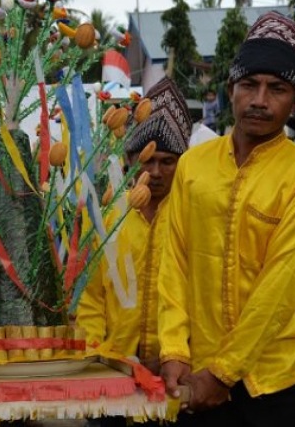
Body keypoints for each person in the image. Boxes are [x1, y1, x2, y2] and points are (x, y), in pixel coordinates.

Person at [158, 11, 295, 426]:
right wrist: (173, 350)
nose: (259, 99)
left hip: (279, 380)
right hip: (198, 371)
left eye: (276, 88)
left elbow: (281, 287)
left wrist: (223, 373)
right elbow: (175, 262)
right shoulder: (194, 166)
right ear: (230, 89)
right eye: (248, 85)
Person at [77, 77, 192, 374]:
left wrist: (176, 355)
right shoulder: (106, 215)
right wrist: (94, 359)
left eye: (167, 162)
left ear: (183, 162)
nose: (155, 172)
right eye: (147, 160)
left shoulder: (193, 215)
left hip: (176, 371)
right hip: (112, 368)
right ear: (129, 159)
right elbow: (91, 298)